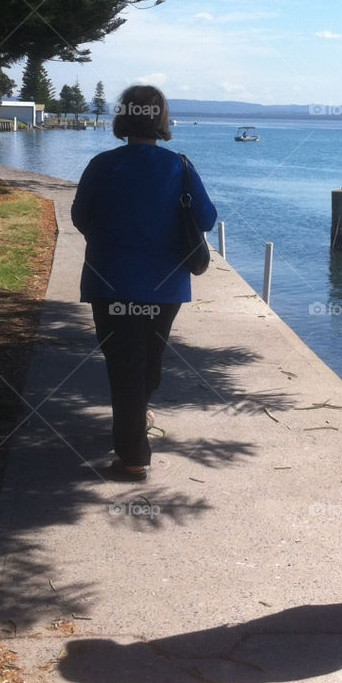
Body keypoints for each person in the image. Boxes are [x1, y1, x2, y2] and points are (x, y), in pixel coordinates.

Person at [71, 85, 216, 480]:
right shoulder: (180, 167)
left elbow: (80, 217)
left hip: (110, 281)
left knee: (124, 364)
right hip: (164, 286)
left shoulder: (102, 165)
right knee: (148, 359)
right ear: (161, 120)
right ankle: (135, 443)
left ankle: (134, 448)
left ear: (123, 117)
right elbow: (206, 219)